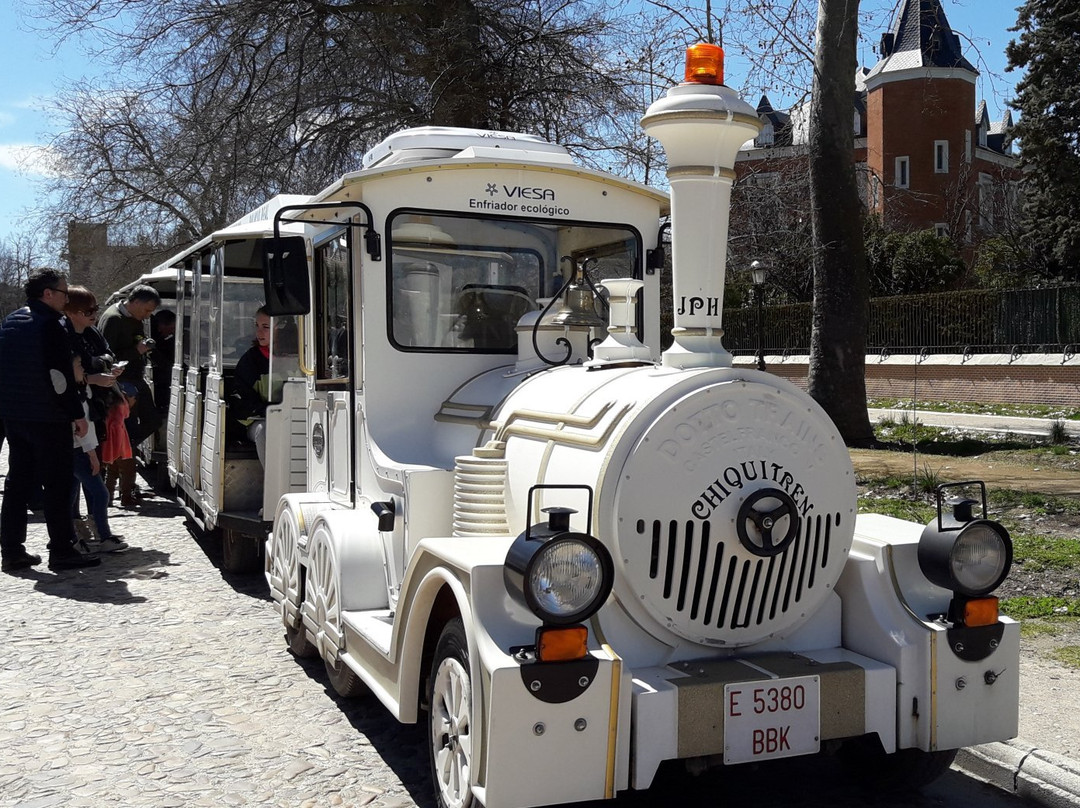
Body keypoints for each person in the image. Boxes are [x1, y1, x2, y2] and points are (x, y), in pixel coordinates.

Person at [0, 268, 99, 571]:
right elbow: (60, 378)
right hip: (48, 417)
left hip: (15, 416)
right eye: (63, 292)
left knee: (17, 482)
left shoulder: (10, 322)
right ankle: (62, 550)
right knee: (57, 485)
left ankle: (12, 550)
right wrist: (76, 415)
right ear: (48, 293)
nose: (66, 297)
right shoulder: (52, 325)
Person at [70, 355, 128, 553]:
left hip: (80, 448)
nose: (82, 369)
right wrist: (92, 454)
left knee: (73, 492)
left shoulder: (80, 389)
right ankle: (103, 535)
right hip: (79, 449)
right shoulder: (75, 394)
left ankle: (78, 536)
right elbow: (82, 429)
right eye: (78, 366)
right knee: (100, 493)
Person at [98, 284, 162, 450]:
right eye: (147, 310)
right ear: (136, 302)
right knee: (128, 424)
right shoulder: (113, 319)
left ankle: (123, 447)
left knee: (152, 421)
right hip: (121, 382)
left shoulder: (133, 318)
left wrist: (143, 344)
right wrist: (136, 350)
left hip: (135, 378)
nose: (148, 316)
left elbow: (134, 339)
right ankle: (120, 450)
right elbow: (106, 357)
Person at [230, 306, 272, 466]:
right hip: (260, 421)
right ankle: (273, 486)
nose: (259, 332)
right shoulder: (250, 361)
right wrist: (266, 411)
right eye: (257, 326)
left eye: (266, 327)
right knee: (265, 432)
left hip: (296, 419)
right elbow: (241, 400)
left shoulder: (304, 358)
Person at [101, 383, 139, 509]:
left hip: (111, 445)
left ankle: (107, 498)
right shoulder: (121, 406)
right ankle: (126, 497)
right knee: (128, 471)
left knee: (111, 472)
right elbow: (120, 423)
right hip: (120, 444)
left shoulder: (111, 403)